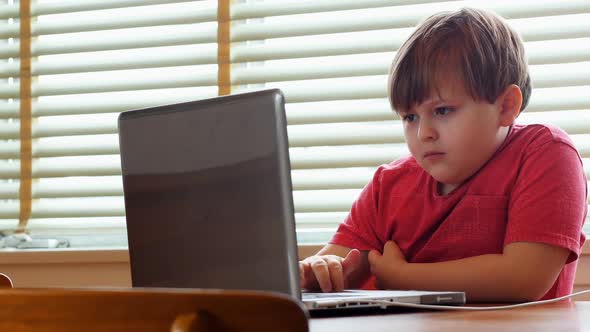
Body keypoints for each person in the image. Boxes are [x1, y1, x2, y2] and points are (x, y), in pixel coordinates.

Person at [299, 7, 587, 302]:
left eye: (442, 110)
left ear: (506, 107)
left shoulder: (546, 153)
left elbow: (524, 277)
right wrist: (319, 270)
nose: (424, 133)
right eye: (410, 117)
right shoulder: (388, 185)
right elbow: (337, 263)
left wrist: (401, 277)